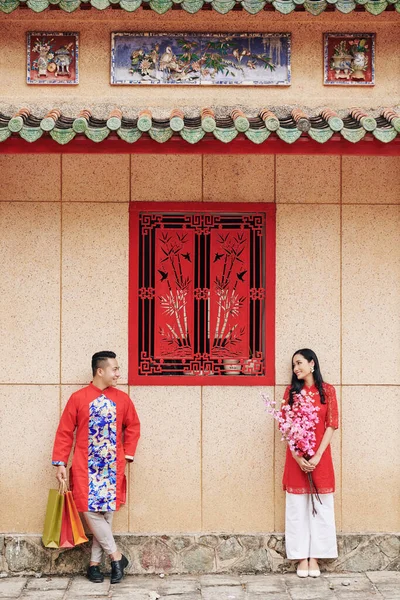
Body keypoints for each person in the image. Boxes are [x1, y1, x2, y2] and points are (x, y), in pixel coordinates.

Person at [52, 351, 140, 584]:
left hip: (111, 466)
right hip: (84, 466)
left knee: (106, 514)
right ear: (100, 371)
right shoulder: (78, 398)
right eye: (115, 369)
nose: (118, 374)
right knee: (90, 511)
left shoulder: (122, 399)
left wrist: (127, 454)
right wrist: (60, 461)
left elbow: (133, 426)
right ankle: (116, 557)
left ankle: (93, 565)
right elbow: (64, 431)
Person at [281, 348, 339, 578]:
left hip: (320, 457)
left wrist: (316, 456)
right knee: (296, 508)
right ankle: (300, 558)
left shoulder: (328, 391)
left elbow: (331, 425)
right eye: (293, 365)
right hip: (296, 456)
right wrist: (297, 456)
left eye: (299, 363)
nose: (296, 368)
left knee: (321, 506)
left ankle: (315, 557)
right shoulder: (291, 392)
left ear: (312, 363)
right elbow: (285, 426)